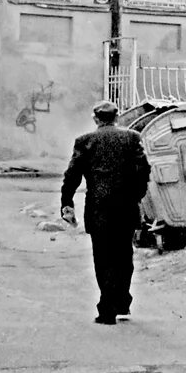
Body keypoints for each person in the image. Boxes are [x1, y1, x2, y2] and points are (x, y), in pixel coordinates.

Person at [59, 100, 151, 324]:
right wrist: (136, 195)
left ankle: (107, 309)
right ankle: (121, 302)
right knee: (124, 256)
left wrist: (66, 201)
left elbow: (72, 175)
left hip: (98, 208)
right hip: (126, 207)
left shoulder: (85, 141)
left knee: (103, 258)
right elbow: (144, 169)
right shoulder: (132, 138)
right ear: (117, 117)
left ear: (96, 119)